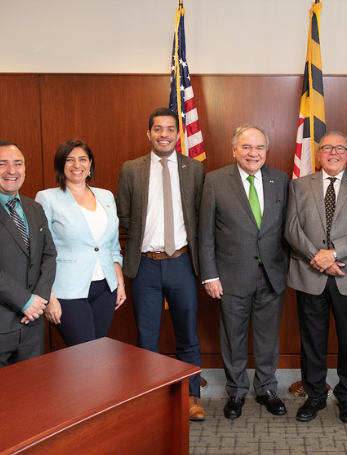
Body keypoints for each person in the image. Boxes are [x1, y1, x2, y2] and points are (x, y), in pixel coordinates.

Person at [116, 108, 205, 421]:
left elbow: (198, 216)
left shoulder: (194, 169)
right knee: (146, 338)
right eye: (157, 129)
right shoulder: (131, 169)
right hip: (145, 266)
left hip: (182, 262)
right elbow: (124, 216)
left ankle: (192, 396)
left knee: (188, 335)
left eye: (169, 129)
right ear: (148, 133)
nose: (164, 134)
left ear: (178, 134)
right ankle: (149, 400)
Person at [285, 131, 347, 423]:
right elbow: (291, 229)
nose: (333, 152)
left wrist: (334, 254)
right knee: (312, 340)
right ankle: (315, 396)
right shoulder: (299, 185)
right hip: (309, 273)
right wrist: (319, 258)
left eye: (340, 148)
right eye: (327, 148)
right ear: (318, 154)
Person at [199, 124, 289, 419]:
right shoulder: (215, 180)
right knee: (233, 337)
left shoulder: (280, 179)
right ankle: (236, 391)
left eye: (260, 147)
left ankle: (266, 389)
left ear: (266, 151)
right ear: (234, 149)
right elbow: (206, 233)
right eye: (247, 147)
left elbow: (288, 229)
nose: (254, 153)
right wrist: (210, 275)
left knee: (267, 338)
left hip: (272, 276)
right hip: (231, 276)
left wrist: (287, 269)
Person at [35, 139, 125, 347]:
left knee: (98, 351)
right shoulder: (47, 198)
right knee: (84, 354)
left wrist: (119, 283)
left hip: (105, 289)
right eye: (70, 160)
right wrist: (48, 297)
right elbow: (40, 252)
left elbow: (112, 247)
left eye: (83, 159)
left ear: (90, 164)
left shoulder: (106, 196)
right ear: (61, 165)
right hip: (66, 291)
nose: (77, 165)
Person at [0, 141, 56, 367]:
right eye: (2, 164)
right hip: (2, 324)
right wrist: (25, 301)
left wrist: (38, 301)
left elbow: (49, 255)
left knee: (32, 395)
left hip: (32, 324)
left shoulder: (34, 208)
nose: (11, 170)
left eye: (18, 164)